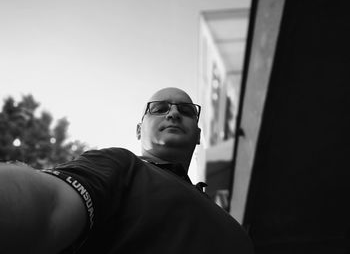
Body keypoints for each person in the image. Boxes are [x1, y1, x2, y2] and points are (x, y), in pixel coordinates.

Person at [0, 87, 254, 254]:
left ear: (198, 135)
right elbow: (49, 204)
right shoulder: (119, 164)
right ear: (139, 130)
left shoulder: (235, 228)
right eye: (159, 108)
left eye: (186, 111)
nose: (174, 113)